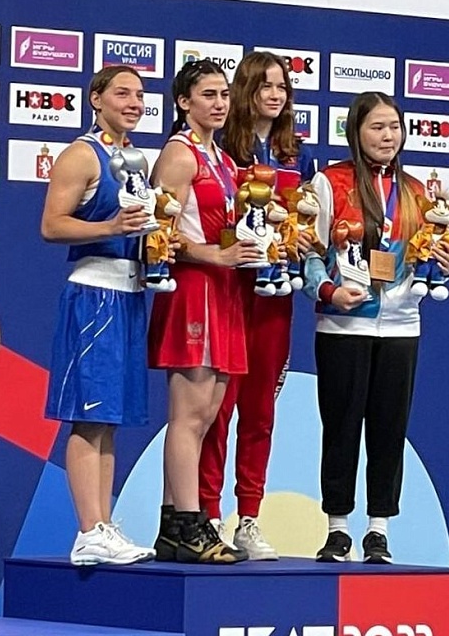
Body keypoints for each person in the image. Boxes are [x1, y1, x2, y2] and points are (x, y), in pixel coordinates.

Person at [303, 92, 449, 564]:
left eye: (394, 127)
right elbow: (309, 251)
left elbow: (433, 251)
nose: (388, 136)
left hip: (401, 325)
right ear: (356, 131)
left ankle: (379, 530)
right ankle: (337, 528)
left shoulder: (417, 192)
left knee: (390, 430)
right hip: (343, 325)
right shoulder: (330, 183)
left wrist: (444, 265)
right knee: (341, 428)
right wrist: (327, 291)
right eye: (377, 127)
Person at [199, 51, 317, 559]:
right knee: (217, 408)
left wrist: (303, 238)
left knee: (260, 411)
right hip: (230, 290)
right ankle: (206, 515)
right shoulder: (221, 148)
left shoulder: (298, 155)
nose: (275, 95)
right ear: (245, 90)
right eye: (265, 85)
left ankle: (249, 517)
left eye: (282, 87)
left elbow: (308, 222)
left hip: (276, 297)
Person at [41, 65, 158, 566]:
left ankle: (103, 525)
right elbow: (51, 225)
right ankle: (87, 529)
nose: (134, 103)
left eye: (140, 95)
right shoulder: (81, 155)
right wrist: (110, 226)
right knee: (89, 418)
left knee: (109, 421)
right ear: (96, 99)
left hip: (130, 294)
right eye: (122, 93)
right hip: (94, 295)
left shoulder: (135, 159)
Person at [148, 59, 261, 564]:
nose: (219, 103)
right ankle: (192, 525)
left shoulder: (223, 158)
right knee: (188, 416)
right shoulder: (180, 154)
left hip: (226, 290)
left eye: (224, 95)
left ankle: (173, 525)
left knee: (207, 415)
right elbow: (159, 233)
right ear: (183, 102)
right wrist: (211, 254)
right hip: (194, 290)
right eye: (208, 95)